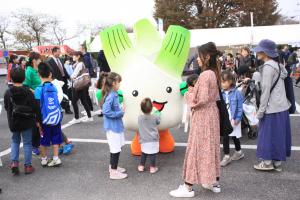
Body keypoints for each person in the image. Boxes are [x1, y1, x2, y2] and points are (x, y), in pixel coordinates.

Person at [169, 42, 221, 198]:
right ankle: (213, 182)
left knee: (196, 148)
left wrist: (188, 93)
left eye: (199, 56)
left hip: (203, 115)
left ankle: (188, 187)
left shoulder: (205, 75)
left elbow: (201, 99)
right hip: (212, 114)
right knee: (210, 148)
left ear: (207, 56)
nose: (197, 59)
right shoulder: (215, 72)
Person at [252, 39, 291, 171]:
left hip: (271, 107)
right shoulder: (278, 65)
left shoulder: (268, 67)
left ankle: (267, 163)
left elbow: (265, 92)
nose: (257, 52)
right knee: (279, 135)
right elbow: (284, 77)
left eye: (259, 50)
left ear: (265, 52)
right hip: (282, 106)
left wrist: (260, 111)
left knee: (267, 135)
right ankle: (277, 163)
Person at [4, 67, 40, 175]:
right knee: (27, 143)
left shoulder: (8, 92)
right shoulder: (28, 92)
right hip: (27, 121)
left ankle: (14, 163)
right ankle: (28, 166)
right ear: (24, 78)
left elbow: (7, 107)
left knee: (15, 141)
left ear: (12, 78)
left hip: (14, 121)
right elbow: (35, 107)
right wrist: (38, 120)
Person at [35, 62, 63, 167]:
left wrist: (37, 121)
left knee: (43, 140)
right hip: (56, 118)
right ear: (50, 74)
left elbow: (38, 107)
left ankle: (44, 159)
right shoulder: (54, 87)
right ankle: (56, 158)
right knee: (56, 138)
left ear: (39, 75)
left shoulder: (38, 89)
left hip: (44, 119)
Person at [100, 72, 127, 180]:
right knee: (115, 149)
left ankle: (113, 167)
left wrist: (120, 109)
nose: (119, 85)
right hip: (113, 127)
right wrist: (120, 113)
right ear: (113, 83)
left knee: (116, 147)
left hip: (115, 126)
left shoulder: (113, 94)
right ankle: (113, 172)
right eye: (118, 83)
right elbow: (106, 111)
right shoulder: (111, 95)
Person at [220, 70, 244, 167]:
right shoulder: (220, 93)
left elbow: (240, 108)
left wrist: (237, 119)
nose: (222, 84)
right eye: (221, 82)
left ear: (230, 81)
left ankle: (238, 151)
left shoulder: (237, 93)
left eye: (224, 81)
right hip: (225, 119)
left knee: (234, 136)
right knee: (225, 137)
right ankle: (226, 156)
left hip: (234, 119)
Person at [23, 52, 42, 156]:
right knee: (35, 123)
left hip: (40, 99)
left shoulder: (37, 70)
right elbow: (25, 86)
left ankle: (38, 143)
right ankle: (34, 146)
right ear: (34, 60)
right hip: (33, 100)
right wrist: (35, 92)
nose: (40, 61)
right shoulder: (29, 71)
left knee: (40, 121)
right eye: (39, 59)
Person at [46, 47, 73, 114]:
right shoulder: (49, 61)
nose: (59, 53)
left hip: (64, 79)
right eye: (58, 52)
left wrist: (68, 77)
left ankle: (67, 109)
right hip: (57, 81)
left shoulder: (61, 59)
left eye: (59, 52)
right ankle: (59, 109)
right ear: (54, 52)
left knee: (66, 94)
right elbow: (51, 72)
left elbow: (63, 69)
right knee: (58, 95)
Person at [137, 98, 160, 174]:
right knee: (153, 153)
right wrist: (158, 113)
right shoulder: (154, 117)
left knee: (144, 153)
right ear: (151, 108)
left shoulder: (139, 118)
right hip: (153, 139)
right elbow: (158, 122)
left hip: (143, 139)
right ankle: (152, 167)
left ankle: (141, 166)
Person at [69, 51, 93, 124]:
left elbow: (74, 75)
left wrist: (71, 76)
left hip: (78, 85)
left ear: (78, 56)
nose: (73, 57)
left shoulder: (79, 64)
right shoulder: (80, 63)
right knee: (83, 100)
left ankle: (77, 118)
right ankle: (89, 116)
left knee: (74, 101)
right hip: (82, 84)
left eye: (74, 55)